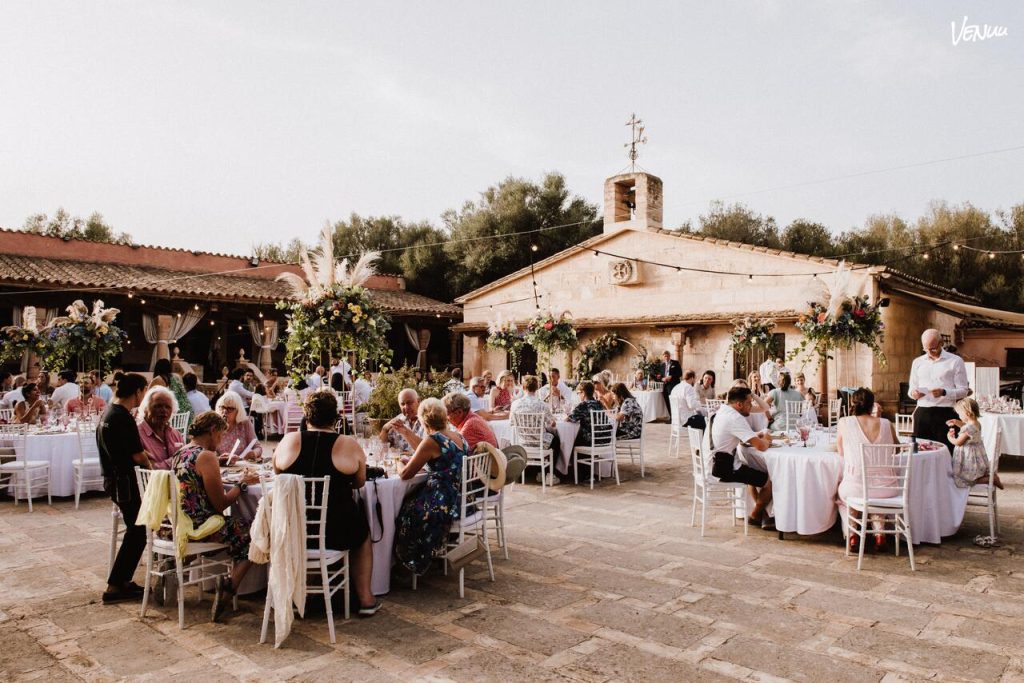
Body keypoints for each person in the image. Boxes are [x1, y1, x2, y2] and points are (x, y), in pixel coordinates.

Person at [273, 391, 379, 615]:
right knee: (362, 532)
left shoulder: (288, 441)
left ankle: (295, 590)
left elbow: (277, 474)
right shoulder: (347, 444)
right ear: (336, 418)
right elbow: (360, 483)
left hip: (292, 529)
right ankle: (366, 598)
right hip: (336, 531)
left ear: (306, 416)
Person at [170, 411, 259, 621]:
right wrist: (243, 483)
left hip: (180, 523)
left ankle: (173, 567)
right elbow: (220, 505)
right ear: (212, 431)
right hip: (201, 527)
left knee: (240, 528)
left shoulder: (180, 452)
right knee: (254, 533)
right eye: (220, 436)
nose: (220, 442)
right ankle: (228, 588)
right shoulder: (206, 457)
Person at [395, 397, 468, 575]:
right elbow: (439, 458)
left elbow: (406, 475)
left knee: (403, 511)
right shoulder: (459, 436)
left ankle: (410, 562)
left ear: (424, 421)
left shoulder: (433, 440)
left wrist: (398, 462)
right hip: (461, 497)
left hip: (442, 501)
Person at [97, 373, 151, 604]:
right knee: (138, 530)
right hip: (125, 481)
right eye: (144, 391)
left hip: (112, 477)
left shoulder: (108, 412)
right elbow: (137, 455)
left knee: (136, 529)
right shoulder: (123, 417)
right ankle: (114, 586)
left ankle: (124, 580)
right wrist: (153, 467)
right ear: (137, 391)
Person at [835, 388, 900, 553]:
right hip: (888, 488)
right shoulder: (886, 423)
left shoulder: (844, 422)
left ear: (852, 403)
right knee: (873, 492)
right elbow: (897, 449)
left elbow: (841, 451)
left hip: (856, 487)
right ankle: (879, 534)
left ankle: (853, 535)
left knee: (846, 495)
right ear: (872, 405)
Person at [709, 386, 774, 529]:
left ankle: (761, 513)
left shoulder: (724, 410)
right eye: (749, 403)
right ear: (739, 404)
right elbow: (761, 447)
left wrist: (756, 435)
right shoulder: (735, 418)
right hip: (725, 469)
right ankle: (757, 514)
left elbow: (738, 435)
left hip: (718, 463)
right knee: (771, 480)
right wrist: (768, 439)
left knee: (753, 470)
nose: (751, 407)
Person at [909, 328, 969, 453]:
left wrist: (944, 392)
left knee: (947, 453)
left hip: (946, 413)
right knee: (920, 452)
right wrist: (914, 394)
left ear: (941, 343)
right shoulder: (917, 362)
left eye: (933, 348)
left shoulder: (955, 361)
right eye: (926, 349)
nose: (930, 352)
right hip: (922, 413)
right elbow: (911, 390)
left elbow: (964, 390)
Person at [947, 397, 1003, 490]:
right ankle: (990, 478)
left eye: (960, 414)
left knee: (963, 479)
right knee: (969, 476)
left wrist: (950, 437)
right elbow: (967, 428)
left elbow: (958, 442)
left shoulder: (968, 428)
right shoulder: (976, 423)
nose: (959, 416)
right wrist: (957, 422)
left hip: (968, 460)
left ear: (967, 413)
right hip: (976, 457)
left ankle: (989, 479)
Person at [137, 386, 185, 470]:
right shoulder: (137, 434)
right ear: (145, 409)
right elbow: (150, 469)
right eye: (158, 406)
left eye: (168, 407)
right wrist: (174, 461)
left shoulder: (176, 434)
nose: (164, 410)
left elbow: (185, 461)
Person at [215, 390, 262, 461]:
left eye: (230, 408)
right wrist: (217, 457)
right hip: (220, 466)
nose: (225, 412)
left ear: (238, 411)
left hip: (241, 466)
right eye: (222, 407)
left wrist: (253, 453)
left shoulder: (244, 424)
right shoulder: (215, 426)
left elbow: (258, 447)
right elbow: (206, 450)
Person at [380, 388, 423, 453]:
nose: (406, 407)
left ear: (418, 401)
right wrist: (385, 429)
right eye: (402, 404)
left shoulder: (426, 421)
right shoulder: (399, 420)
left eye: (409, 403)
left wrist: (405, 432)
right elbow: (382, 446)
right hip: (399, 461)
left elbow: (425, 449)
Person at [567, 381, 607, 449]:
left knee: (569, 442)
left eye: (578, 393)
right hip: (603, 439)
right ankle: (589, 458)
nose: (578, 395)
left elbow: (569, 419)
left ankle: (570, 459)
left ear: (583, 393)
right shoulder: (599, 403)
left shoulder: (584, 405)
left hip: (589, 440)